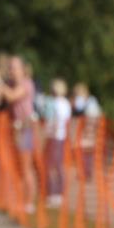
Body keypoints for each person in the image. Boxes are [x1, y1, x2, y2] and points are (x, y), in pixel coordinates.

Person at [0, 55, 37, 214]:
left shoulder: (26, 84)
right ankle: (20, 199)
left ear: (22, 69)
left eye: (14, 67)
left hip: (25, 127)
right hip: (16, 128)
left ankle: (29, 202)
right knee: (18, 165)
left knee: (26, 165)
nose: (11, 71)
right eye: (10, 68)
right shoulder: (11, 84)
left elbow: (12, 96)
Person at [44, 78, 72, 207]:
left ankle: (55, 193)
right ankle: (57, 192)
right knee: (56, 165)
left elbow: (56, 120)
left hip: (55, 136)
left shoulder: (56, 103)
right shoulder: (65, 103)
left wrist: (51, 131)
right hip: (59, 136)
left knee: (54, 166)